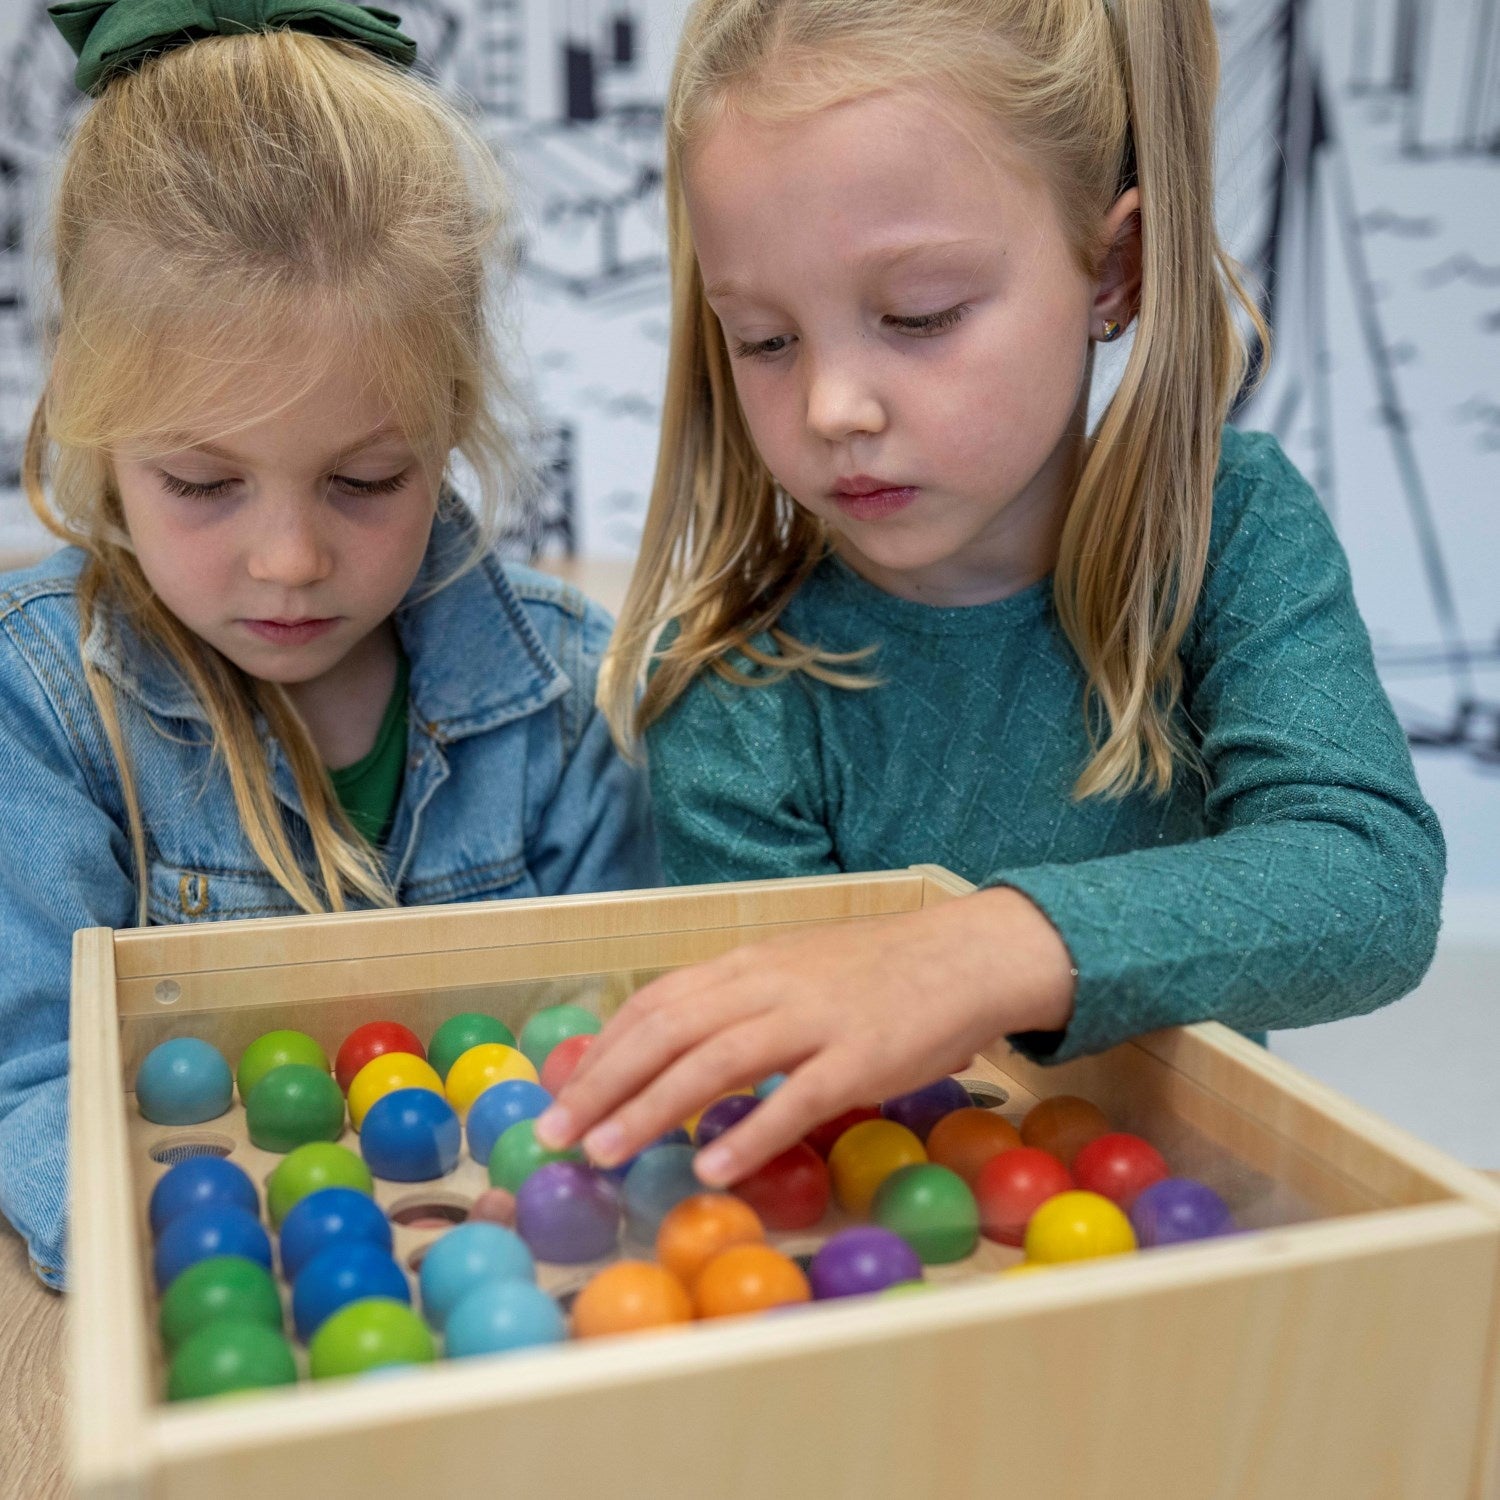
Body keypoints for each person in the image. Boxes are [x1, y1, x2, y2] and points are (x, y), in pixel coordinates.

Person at [535, 0, 1444, 1189]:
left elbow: (1368, 879)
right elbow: (806, 1133)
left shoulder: (1231, 530)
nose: (831, 409)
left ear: (1113, 269)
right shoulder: (737, 687)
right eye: (763, 339)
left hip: (1188, 1256)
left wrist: (977, 952)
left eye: (920, 317)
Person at [0, 0, 657, 1288]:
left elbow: (617, 1039)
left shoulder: (563, 696)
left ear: (452, 415)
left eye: (365, 481)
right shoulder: (41, 703)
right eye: (202, 483)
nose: (291, 561)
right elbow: (33, 1083)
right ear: (90, 410)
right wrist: (251, 1256)